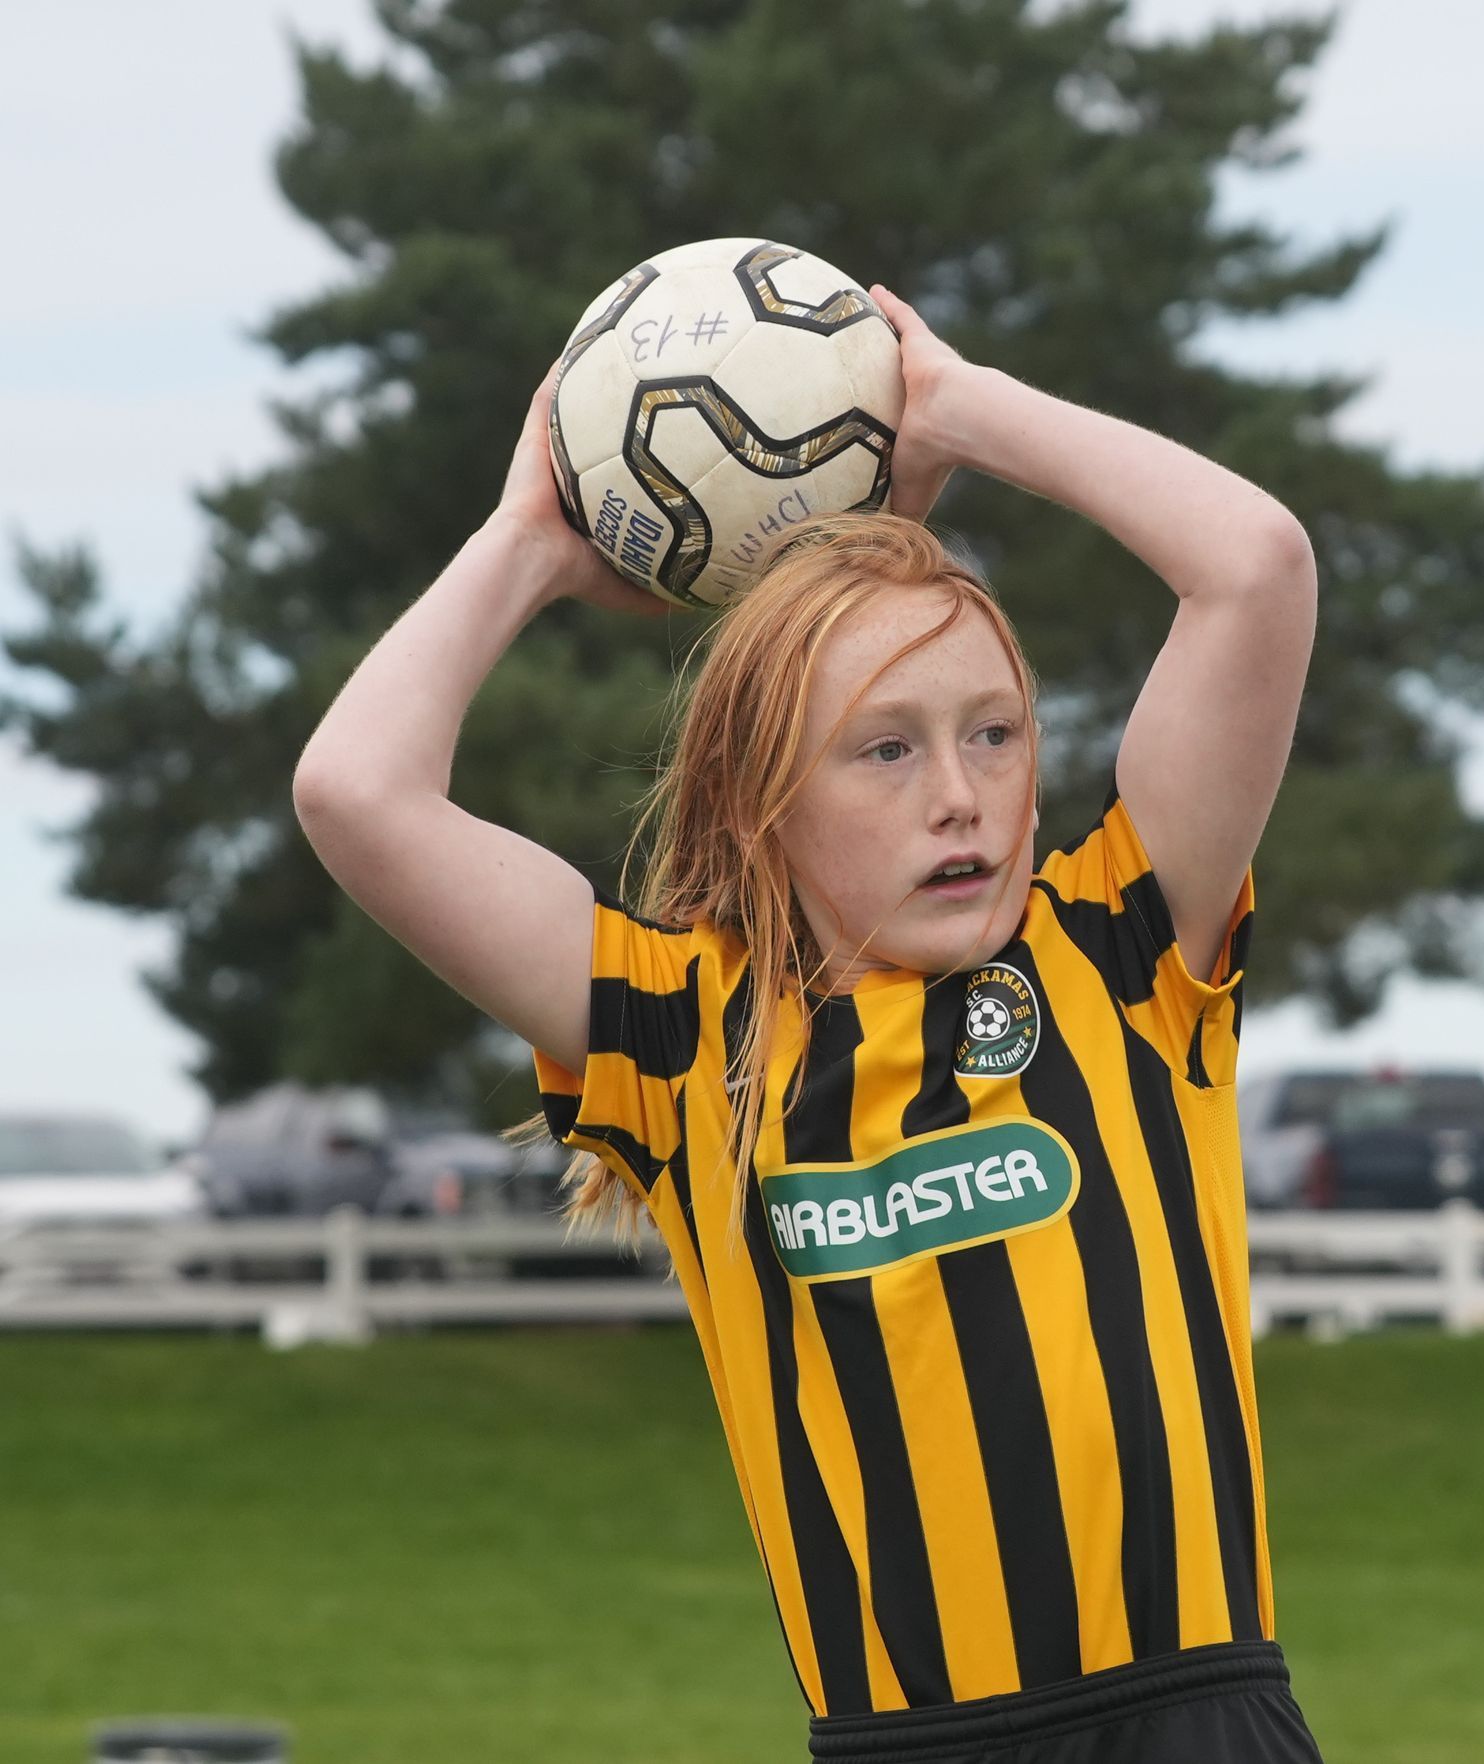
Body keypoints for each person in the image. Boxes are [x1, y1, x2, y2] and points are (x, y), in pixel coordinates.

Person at [292, 279, 1321, 1764]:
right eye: (885, 751)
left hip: (1201, 1725)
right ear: (762, 804)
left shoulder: (1117, 950)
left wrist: (962, 408)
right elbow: (355, 795)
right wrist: (527, 544)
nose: (959, 795)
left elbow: (1257, 566)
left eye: (994, 733)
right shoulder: (680, 1038)